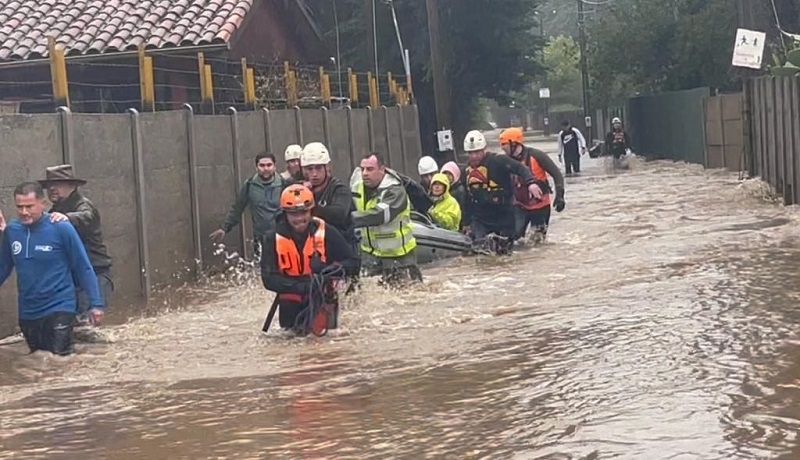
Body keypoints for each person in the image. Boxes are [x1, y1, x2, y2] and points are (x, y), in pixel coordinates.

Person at [0, 182, 105, 356]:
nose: (24, 212)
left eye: (29, 206)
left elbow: (83, 266)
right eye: (20, 207)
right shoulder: (12, 231)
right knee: (38, 359)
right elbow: (3, 267)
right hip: (28, 312)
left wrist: (96, 304)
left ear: (43, 204)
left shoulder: (61, 228)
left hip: (59, 306)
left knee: (59, 359)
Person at [260, 185, 359, 335]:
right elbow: (268, 279)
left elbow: (354, 262)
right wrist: (302, 287)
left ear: (311, 211)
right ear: (285, 214)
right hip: (290, 299)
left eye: (303, 212)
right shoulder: (271, 238)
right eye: (293, 214)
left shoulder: (327, 232)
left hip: (322, 296)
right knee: (290, 340)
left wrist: (332, 270)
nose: (299, 218)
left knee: (327, 344)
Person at [39, 164, 114, 323]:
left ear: (72, 186)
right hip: (71, 279)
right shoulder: (54, 212)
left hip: (95, 274)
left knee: (86, 325)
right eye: (49, 185)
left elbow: (86, 216)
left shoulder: (83, 206)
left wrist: (67, 218)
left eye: (57, 184)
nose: (52, 188)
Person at [460, 130, 545, 254]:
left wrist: (531, 183)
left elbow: (520, 168)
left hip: (504, 216)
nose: (474, 156)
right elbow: (466, 198)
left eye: (477, 152)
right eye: (471, 153)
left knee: (505, 254)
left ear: (484, 149)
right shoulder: (466, 172)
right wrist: (466, 222)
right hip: (481, 219)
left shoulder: (498, 161)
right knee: (482, 253)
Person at [351, 153, 421, 284]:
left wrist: (350, 219)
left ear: (382, 169)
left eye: (370, 169)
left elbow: (381, 214)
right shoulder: (357, 186)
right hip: (370, 254)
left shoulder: (395, 191)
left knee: (408, 294)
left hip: (399, 256)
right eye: (362, 169)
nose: (365, 173)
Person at [210, 152, 289, 256]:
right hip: (261, 238)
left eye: (269, 165)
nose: (266, 168)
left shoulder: (284, 185)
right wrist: (225, 228)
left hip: (282, 236)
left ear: (274, 167)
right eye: (262, 165)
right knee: (261, 268)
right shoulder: (250, 185)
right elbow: (238, 208)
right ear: (256, 167)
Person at [499, 127, 566, 243]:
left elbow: (557, 174)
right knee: (515, 240)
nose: (502, 148)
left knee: (537, 242)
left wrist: (560, 195)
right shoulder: (506, 161)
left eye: (504, 144)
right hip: (519, 206)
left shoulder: (537, 155)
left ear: (513, 143)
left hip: (540, 207)